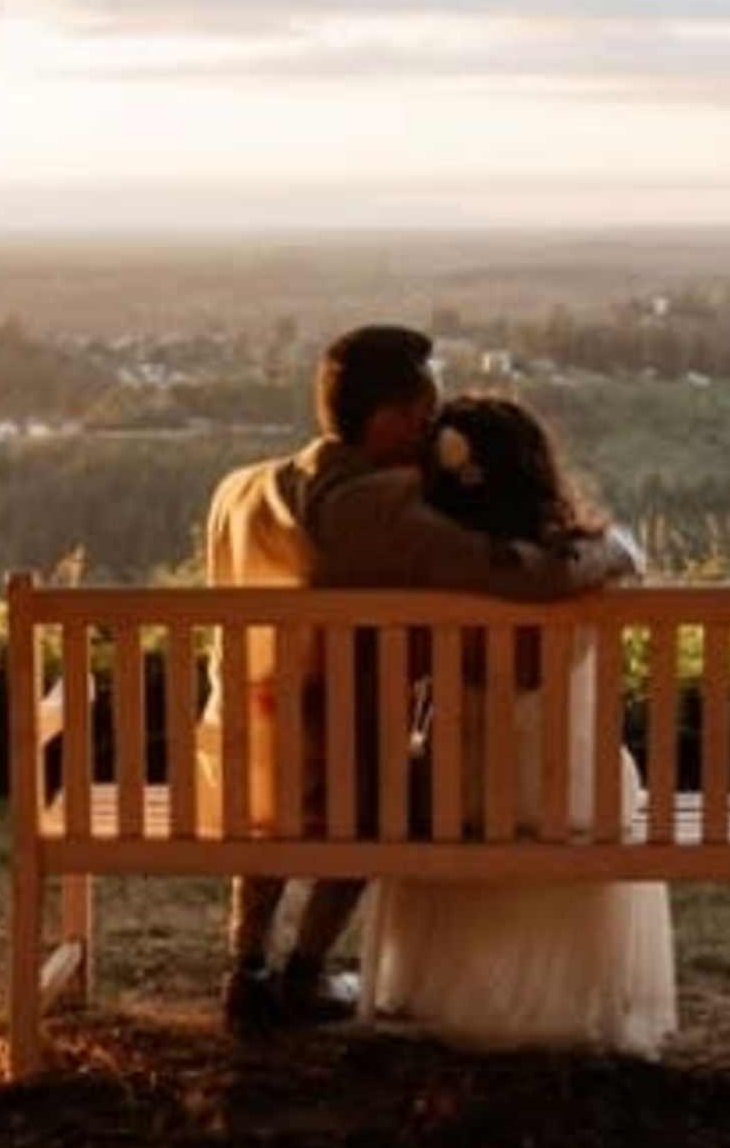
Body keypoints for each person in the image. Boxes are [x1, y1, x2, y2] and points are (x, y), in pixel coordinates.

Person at [200, 326, 637, 1033]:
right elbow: (528, 574)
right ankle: (305, 970)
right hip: (340, 778)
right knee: (386, 778)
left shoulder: (241, 490)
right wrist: (614, 547)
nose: (432, 427)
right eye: (425, 411)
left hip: (237, 755)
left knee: (284, 755)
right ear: (391, 419)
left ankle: (247, 965)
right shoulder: (380, 509)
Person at [360, 393, 678, 1056]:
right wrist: (615, 543)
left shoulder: (425, 576)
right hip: (577, 795)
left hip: (461, 797)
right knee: (599, 774)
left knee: (425, 779)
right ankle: (574, 999)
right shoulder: (586, 564)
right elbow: (611, 563)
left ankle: (436, 987)